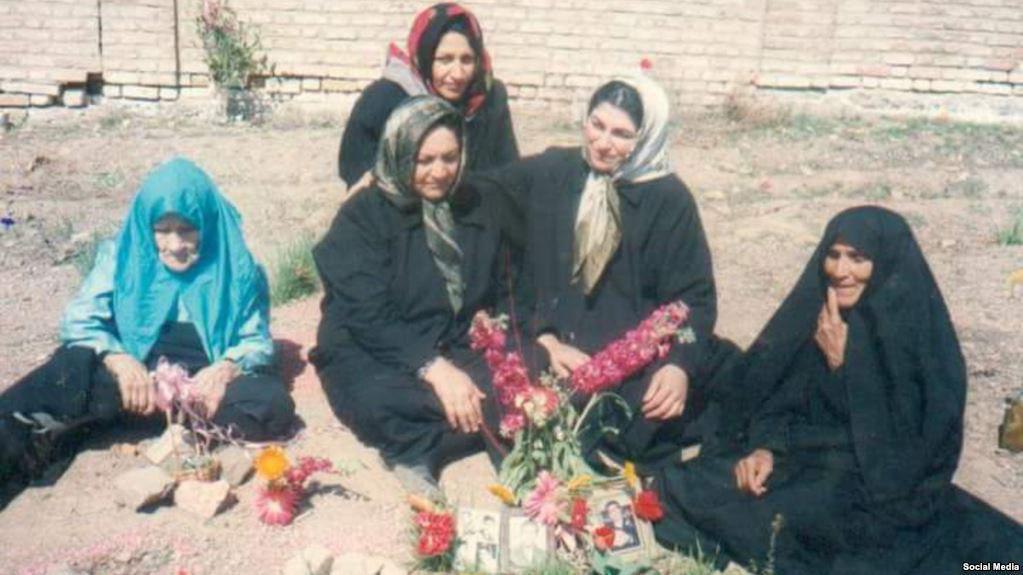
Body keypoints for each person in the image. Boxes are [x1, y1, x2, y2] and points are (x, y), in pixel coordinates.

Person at [653, 206, 1023, 574]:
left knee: (988, 561)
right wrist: (764, 449)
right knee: (685, 485)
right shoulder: (819, 317)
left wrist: (845, 366)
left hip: (888, 492)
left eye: (858, 258)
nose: (840, 271)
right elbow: (776, 400)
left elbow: (913, 447)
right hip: (806, 463)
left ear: (885, 263)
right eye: (833, 255)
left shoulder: (919, 338)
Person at [0, 158, 295, 506]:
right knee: (70, 366)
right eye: (163, 230)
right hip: (136, 379)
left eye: (187, 229)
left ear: (207, 224)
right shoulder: (122, 256)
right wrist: (118, 358)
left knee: (269, 402)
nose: (175, 244)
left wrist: (225, 368)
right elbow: (79, 320)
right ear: (147, 227)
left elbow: (256, 340)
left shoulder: (237, 265)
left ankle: (128, 422)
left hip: (200, 386)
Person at [474, 75, 737, 465]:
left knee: (655, 409)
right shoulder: (556, 170)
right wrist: (545, 340)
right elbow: (485, 190)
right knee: (517, 393)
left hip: (632, 353)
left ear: (645, 138)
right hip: (555, 344)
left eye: (621, 134)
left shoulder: (668, 199)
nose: (602, 143)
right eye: (596, 125)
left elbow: (693, 296)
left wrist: (678, 366)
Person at [313, 96, 509, 497]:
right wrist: (432, 368)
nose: (440, 172)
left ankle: (432, 442)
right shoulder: (362, 216)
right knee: (377, 401)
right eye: (424, 160)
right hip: (379, 349)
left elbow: (502, 280)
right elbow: (366, 315)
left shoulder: (474, 203)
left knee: (521, 372)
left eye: (450, 158)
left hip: (452, 338)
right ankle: (436, 444)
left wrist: (487, 315)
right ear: (399, 154)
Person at [337, 2, 519, 190]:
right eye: (445, 59)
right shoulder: (384, 98)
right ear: (425, 56)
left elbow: (507, 170)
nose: (458, 74)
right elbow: (355, 167)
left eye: (467, 60)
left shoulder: (489, 97)